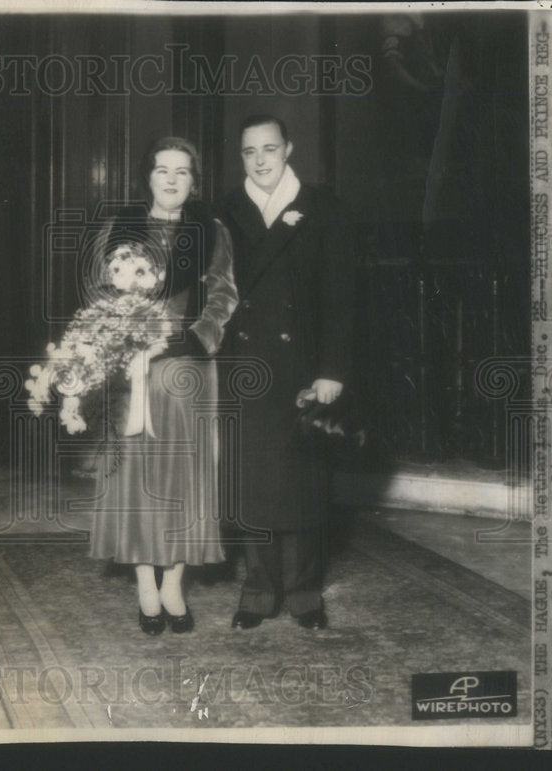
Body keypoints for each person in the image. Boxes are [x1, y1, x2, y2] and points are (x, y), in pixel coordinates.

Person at [89, 137, 239, 635]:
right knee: (135, 477)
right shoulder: (120, 226)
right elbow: (97, 292)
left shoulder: (210, 230)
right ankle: (145, 586)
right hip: (131, 370)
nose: (171, 180)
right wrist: (124, 336)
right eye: (162, 171)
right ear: (147, 177)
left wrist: (194, 339)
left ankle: (175, 582)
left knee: (186, 477)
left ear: (195, 182)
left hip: (188, 370)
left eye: (182, 173)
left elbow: (222, 296)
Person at [220, 115, 356, 631]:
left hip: (302, 365)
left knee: (302, 480)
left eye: (269, 149)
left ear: (288, 149)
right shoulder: (227, 210)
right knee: (252, 482)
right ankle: (258, 590)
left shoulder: (323, 208)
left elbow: (343, 299)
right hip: (246, 365)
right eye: (249, 151)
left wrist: (333, 369)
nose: (259, 160)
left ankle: (303, 592)